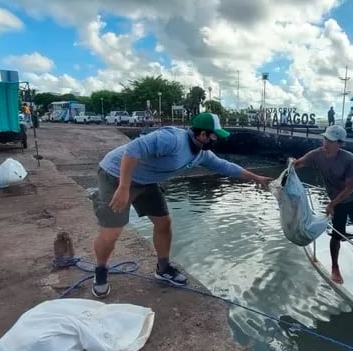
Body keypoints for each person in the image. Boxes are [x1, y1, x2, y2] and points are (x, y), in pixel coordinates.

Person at [91, 112, 273, 298]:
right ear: (202, 135)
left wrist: (257, 178)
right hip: (115, 175)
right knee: (111, 232)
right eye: (214, 135)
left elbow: (226, 166)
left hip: (147, 181)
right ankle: (100, 271)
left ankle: (163, 269)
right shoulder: (171, 139)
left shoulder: (201, 153)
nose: (216, 139)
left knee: (164, 222)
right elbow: (132, 151)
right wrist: (123, 187)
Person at [291, 125, 353, 284]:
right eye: (325, 138)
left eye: (331, 141)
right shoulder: (316, 154)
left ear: (340, 143)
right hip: (336, 200)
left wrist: (331, 204)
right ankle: (335, 267)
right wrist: (292, 163)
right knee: (336, 234)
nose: (326, 143)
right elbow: (298, 163)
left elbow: (349, 187)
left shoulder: (349, 159)